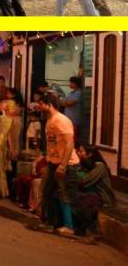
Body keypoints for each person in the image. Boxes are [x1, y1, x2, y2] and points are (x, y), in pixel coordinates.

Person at [36, 93, 80, 236]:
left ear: (49, 104)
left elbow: (69, 144)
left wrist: (63, 165)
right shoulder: (49, 120)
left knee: (65, 195)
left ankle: (69, 226)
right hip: (53, 163)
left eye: (41, 104)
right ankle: (50, 223)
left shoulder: (62, 120)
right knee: (48, 193)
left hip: (67, 164)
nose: (39, 107)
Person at [74, 144, 116, 236]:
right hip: (92, 194)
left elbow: (84, 181)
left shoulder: (99, 166)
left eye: (81, 151)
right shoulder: (84, 165)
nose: (78, 153)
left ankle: (87, 229)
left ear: (89, 154)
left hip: (103, 199)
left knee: (80, 200)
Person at [63, 76, 83, 143]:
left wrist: (65, 103)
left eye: (71, 83)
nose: (69, 84)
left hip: (74, 120)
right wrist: (65, 103)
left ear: (76, 84)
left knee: (73, 137)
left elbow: (69, 103)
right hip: (68, 119)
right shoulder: (70, 93)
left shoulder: (79, 93)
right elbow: (63, 102)